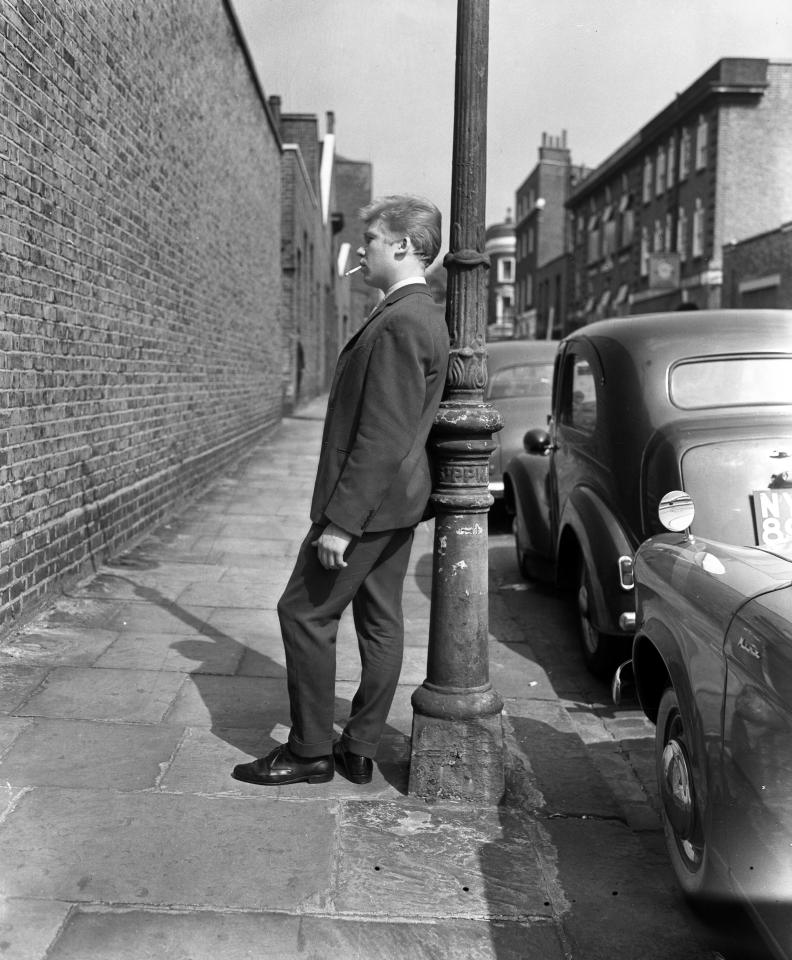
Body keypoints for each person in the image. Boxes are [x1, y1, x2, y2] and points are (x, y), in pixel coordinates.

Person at [232, 194, 449, 787]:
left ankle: (308, 753)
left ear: (404, 245)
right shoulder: (415, 313)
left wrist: (341, 523)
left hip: (369, 507)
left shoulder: (404, 320)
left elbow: (381, 434)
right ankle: (360, 745)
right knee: (380, 622)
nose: (363, 251)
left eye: (372, 240)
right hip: (396, 504)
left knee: (302, 613)